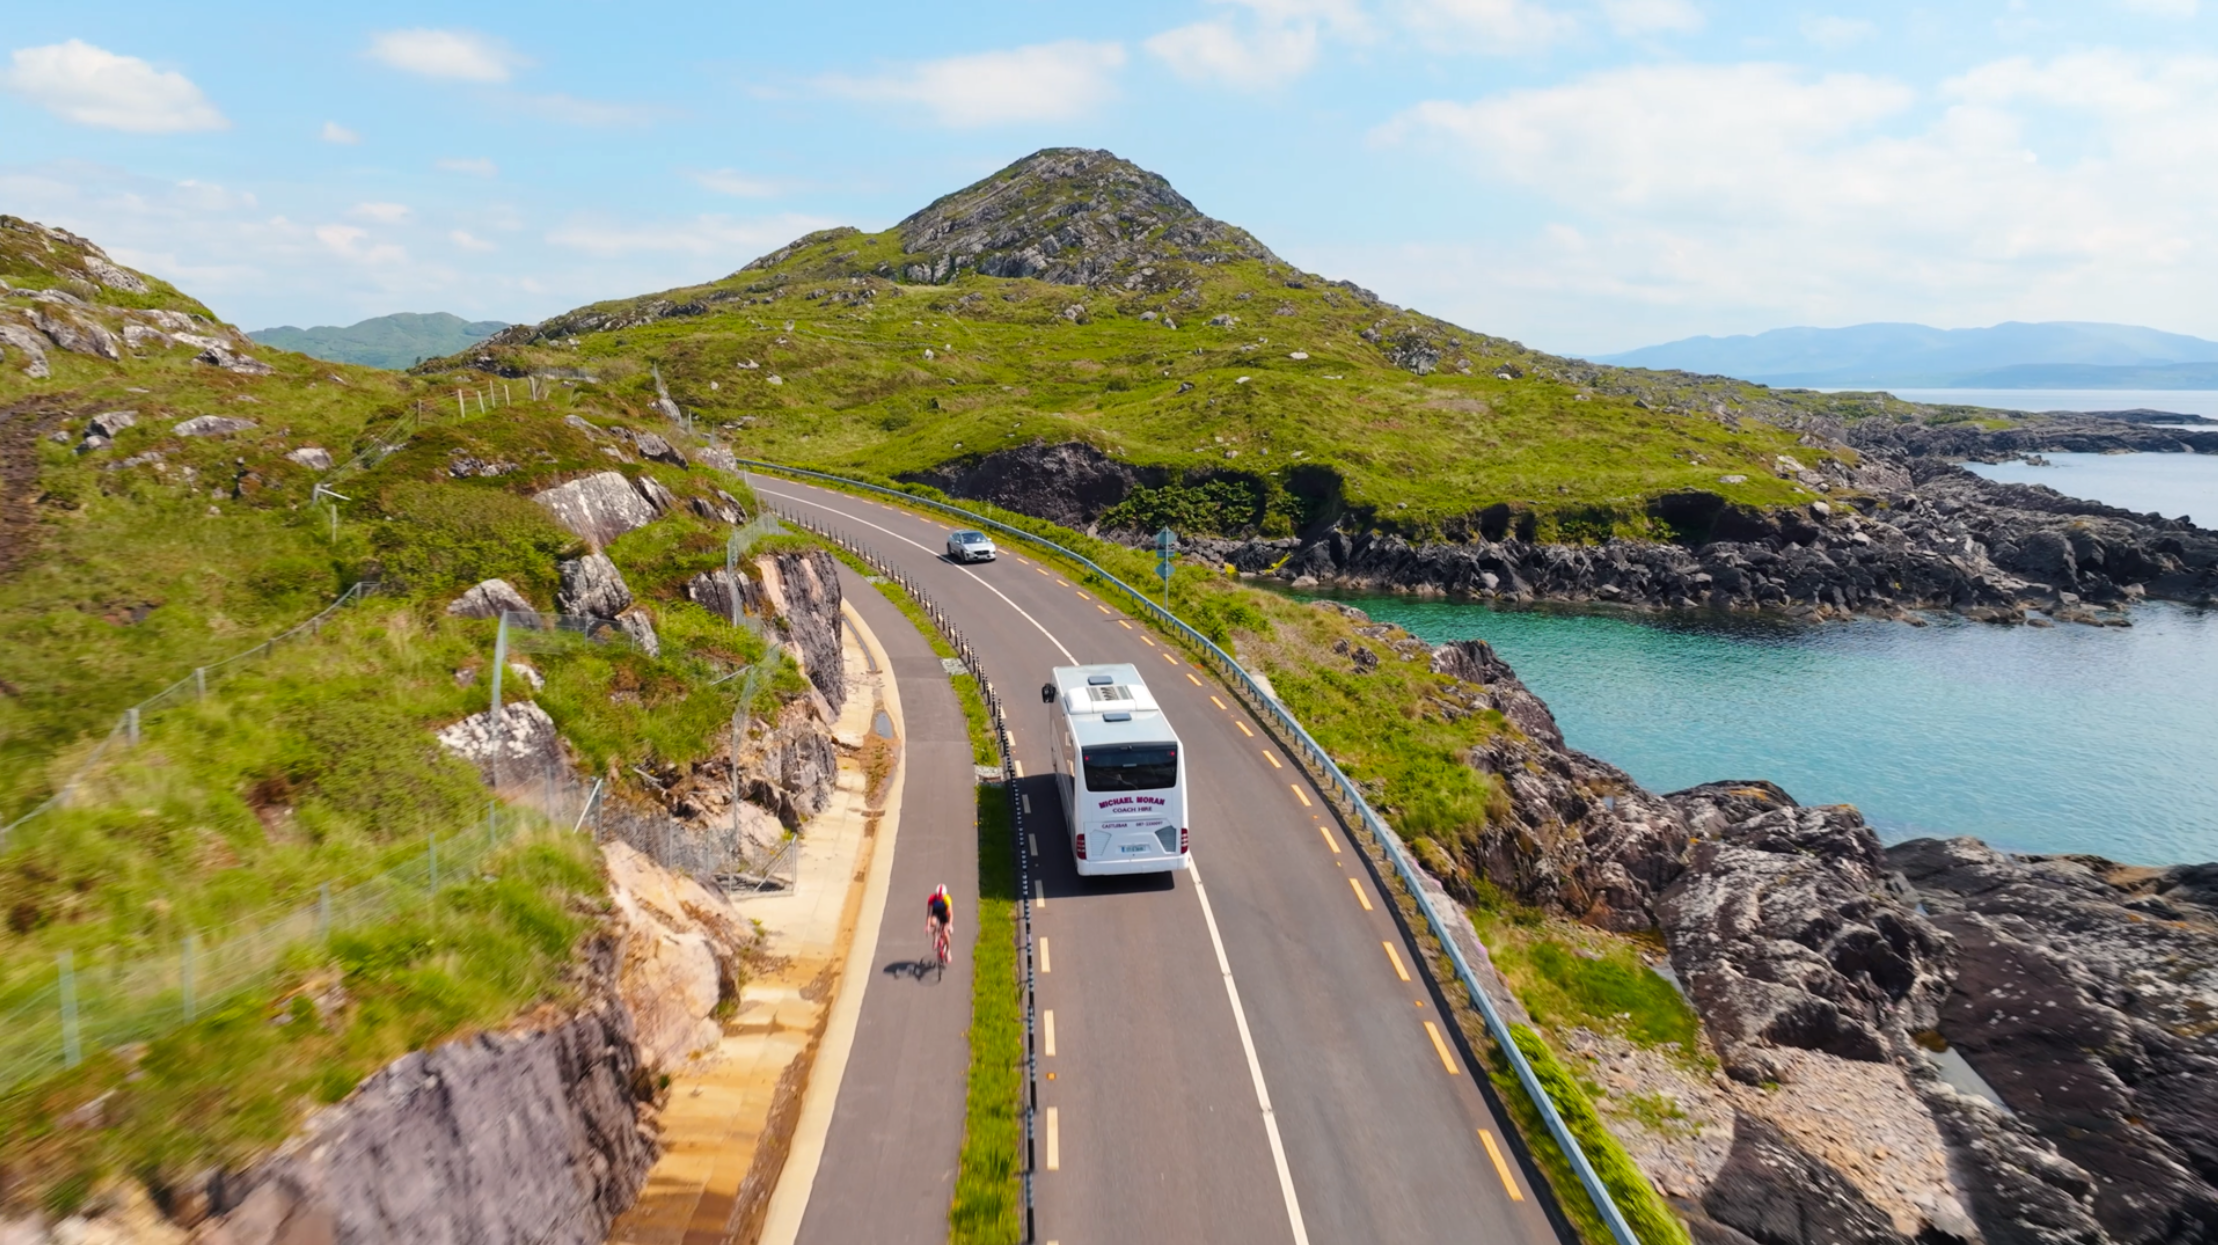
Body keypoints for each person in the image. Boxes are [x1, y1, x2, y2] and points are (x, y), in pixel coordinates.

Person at [926, 883, 954, 965]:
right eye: (938, 897)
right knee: (933, 922)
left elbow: (951, 914)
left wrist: (950, 925)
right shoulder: (931, 899)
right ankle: (935, 937)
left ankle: (948, 951)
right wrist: (928, 925)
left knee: (946, 933)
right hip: (936, 914)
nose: (939, 899)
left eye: (941, 897)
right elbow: (929, 913)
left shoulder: (947, 899)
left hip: (945, 914)